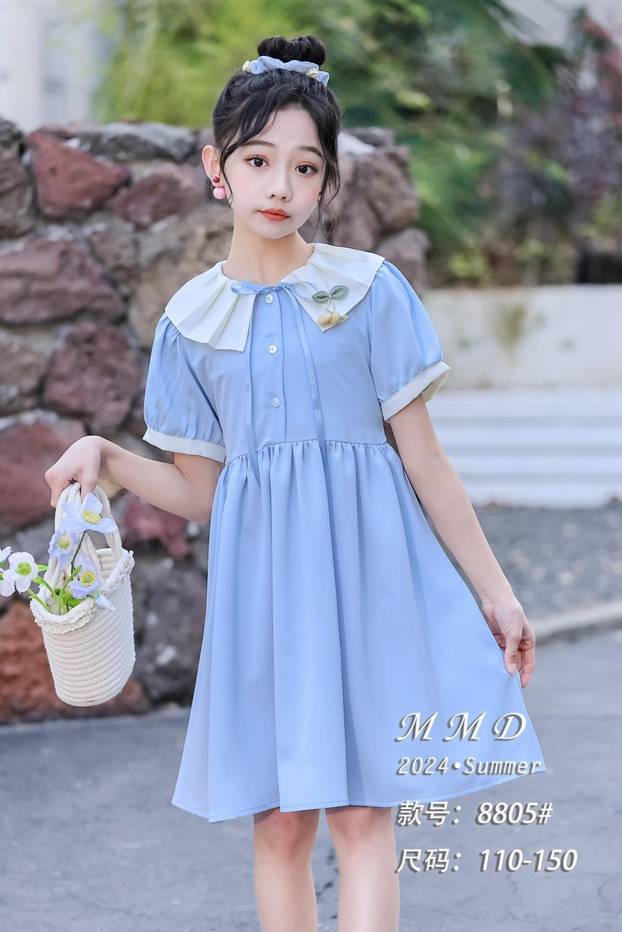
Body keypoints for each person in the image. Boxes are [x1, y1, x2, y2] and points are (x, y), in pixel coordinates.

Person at [45, 33, 546, 932]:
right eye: (258, 160)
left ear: (326, 183)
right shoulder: (190, 323)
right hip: (267, 599)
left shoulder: (371, 291)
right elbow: (202, 493)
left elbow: (425, 459)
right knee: (278, 822)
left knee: (361, 813)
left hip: (370, 585)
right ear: (218, 169)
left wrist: (496, 592)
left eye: (305, 167)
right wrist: (108, 460)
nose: (280, 185)